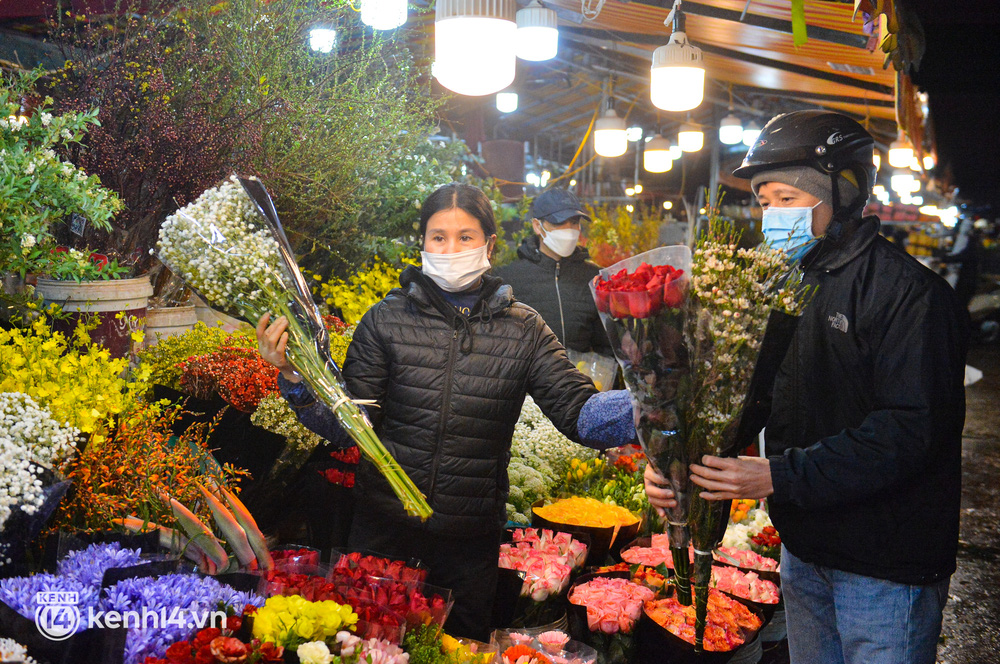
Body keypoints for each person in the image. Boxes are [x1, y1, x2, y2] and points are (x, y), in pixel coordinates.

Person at [644, 111, 969, 664]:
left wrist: (777, 475)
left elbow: (910, 430)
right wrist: (679, 460)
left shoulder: (910, 294)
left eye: (788, 198)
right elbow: (748, 395)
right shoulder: (780, 288)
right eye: (765, 200)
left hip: (885, 566)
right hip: (804, 550)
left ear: (841, 196)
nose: (772, 214)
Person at [257, 183, 636, 641]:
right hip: (383, 537)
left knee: (458, 647)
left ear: (490, 245)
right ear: (422, 244)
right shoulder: (386, 320)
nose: (451, 248)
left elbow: (580, 414)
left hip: (469, 546)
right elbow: (347, 428)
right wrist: (296, 381)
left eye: (465, 237)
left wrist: (655, 405)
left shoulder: (524, 329)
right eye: (438, 237)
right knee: (373, 648)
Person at [494, 189, 611, 355]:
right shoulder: (510, 278)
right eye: (558, 222)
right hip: (531, 379)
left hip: (580, 377)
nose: (569, 230)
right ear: (537, 226)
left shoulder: (594, 278)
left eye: (574, 222)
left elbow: (606, 343)